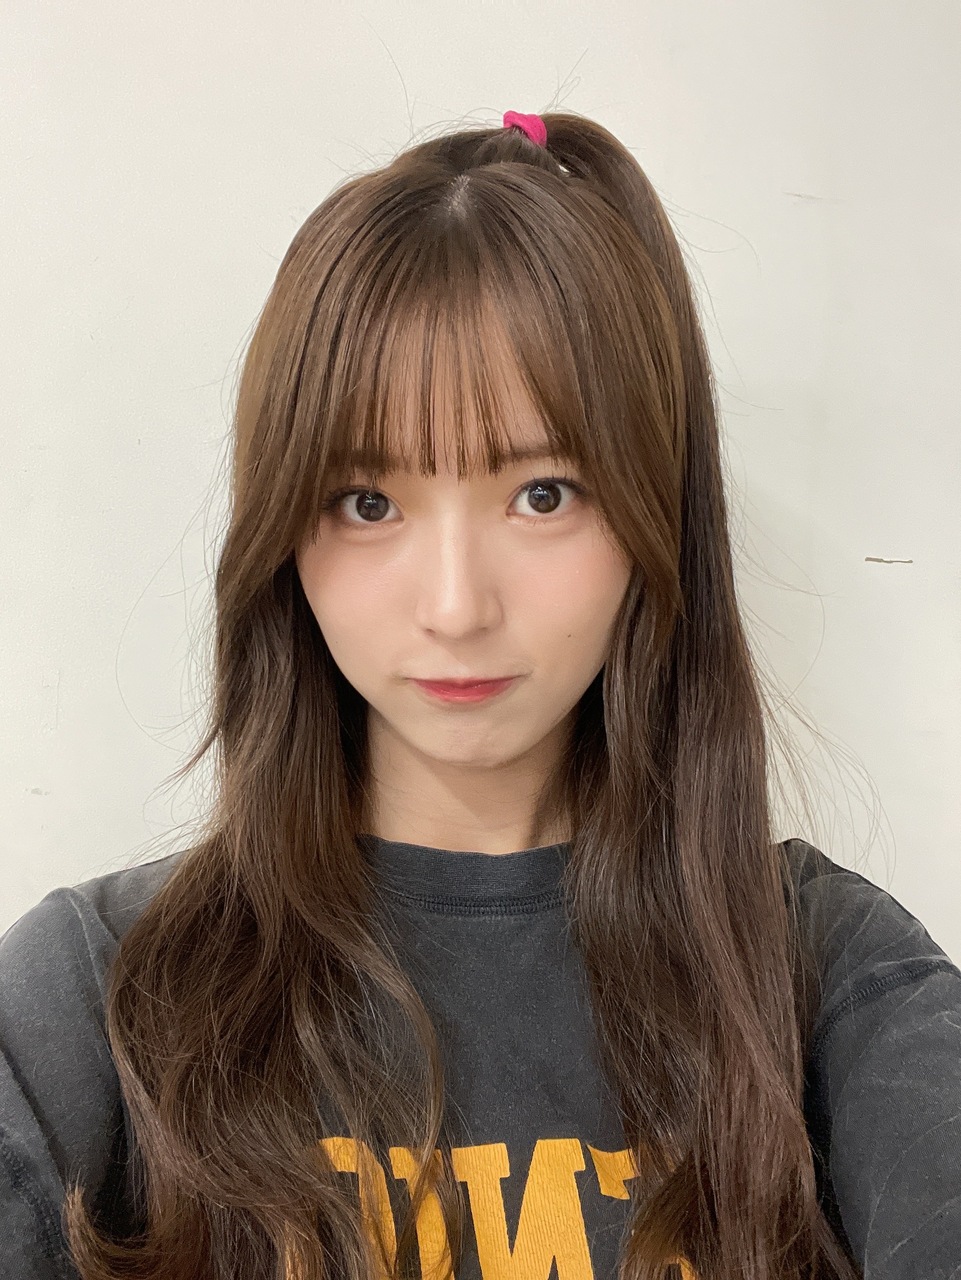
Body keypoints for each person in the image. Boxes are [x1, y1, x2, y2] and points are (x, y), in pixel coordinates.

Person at [1, 108, 958, 1280]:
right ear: (282, 530)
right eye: (367, 502)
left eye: (542, 493)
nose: (455, 605)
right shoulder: (96, 993)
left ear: (653, 514)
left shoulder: (829, 977)